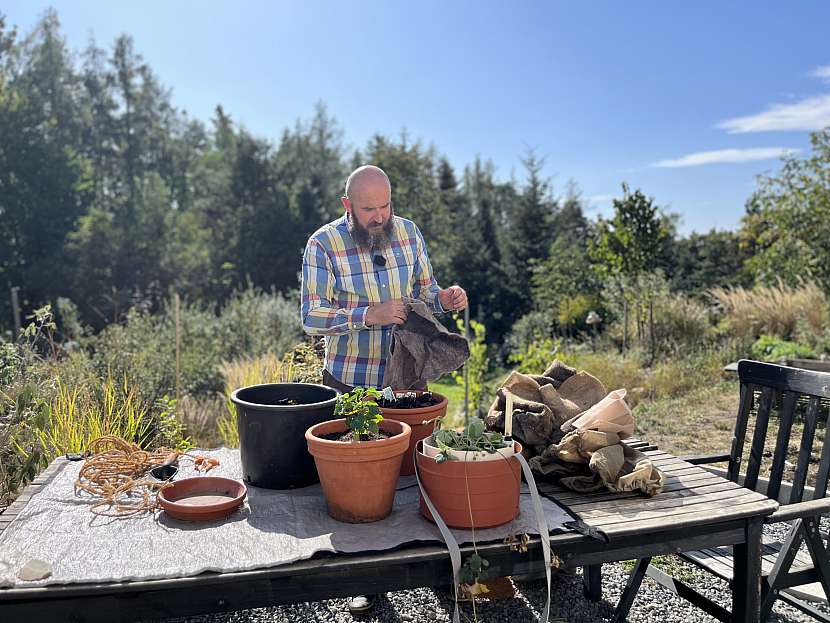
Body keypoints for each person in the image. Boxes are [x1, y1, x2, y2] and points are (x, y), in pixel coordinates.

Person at [300, 164, 467, 615]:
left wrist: (446, 297)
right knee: (360, 491)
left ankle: (441, 571)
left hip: (408, 376)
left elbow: (426, 291)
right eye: (368, 208)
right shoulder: (323, 244)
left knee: (418, 480)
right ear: (347, 205)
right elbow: (311, 317)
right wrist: (366, 315)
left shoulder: (408, 233)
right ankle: (368, 580)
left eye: (385, 205)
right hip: (350, 383)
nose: (378, 216)